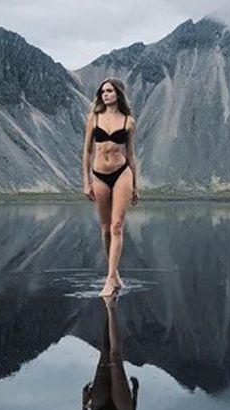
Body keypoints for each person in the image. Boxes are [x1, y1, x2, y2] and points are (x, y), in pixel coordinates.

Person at [82, 78, 140, 297]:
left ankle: (109, 279)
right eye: (103, 91)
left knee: (117, 226)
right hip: (99, 175)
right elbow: (87, 152)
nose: (105, 94)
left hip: (122, 173)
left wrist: (135, 185)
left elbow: (132, 155)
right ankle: (114, 275)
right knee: (105, 228)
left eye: (109, 91)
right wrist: (86, 181)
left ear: (118, 94)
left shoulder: (128, 121)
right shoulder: (93, 118)